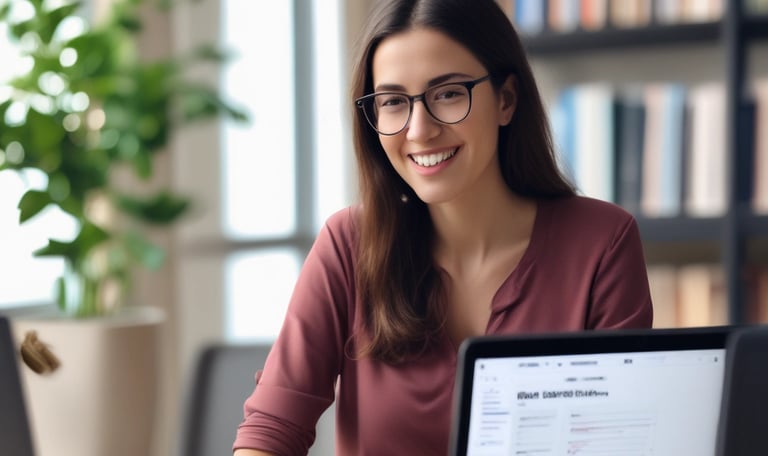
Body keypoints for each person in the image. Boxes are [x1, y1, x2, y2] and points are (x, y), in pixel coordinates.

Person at [233, 0, 653, 454]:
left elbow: (617, 438)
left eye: (448, 94)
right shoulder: (348, 245)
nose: (419, 130)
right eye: (393, 102)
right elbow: (271, 428)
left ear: (506, 99)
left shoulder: (602, 242)